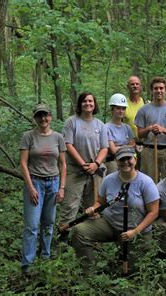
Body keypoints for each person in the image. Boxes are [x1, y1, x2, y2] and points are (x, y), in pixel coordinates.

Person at [71, 146, 160, 272]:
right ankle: (89, 272)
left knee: (134, 271)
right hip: (110, 223)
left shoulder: (146, 182)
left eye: (128, 158)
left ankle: (126, 256)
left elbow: (153, 212)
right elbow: (100, 202)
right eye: (121, 159)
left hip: (136, 229)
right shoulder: (109, 180)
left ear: (135, 159)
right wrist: (93, 209)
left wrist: (135, 232)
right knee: (79, 231)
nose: (125, 162)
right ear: (116, 161)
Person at [19, 103, 67, 274]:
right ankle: (28, 265)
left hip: (53, 183)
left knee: (48, 224)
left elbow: (62, 164)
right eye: (39, 116)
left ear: (50, 116)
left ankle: (45, 258)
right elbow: (23, 163)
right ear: (35, 118)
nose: (43, 119)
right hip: (35, 182)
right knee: (32, 225)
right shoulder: (28, 136)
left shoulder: (58, 138)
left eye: (45, 115)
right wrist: (31, 187)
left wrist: (61, 187)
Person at [59, 92, 109, 241]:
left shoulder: (100, 125)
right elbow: (68, 144)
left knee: (93, 208)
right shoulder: (71, 122)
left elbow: (104, 148)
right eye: (85, 101)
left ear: (95, 104)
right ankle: (64, 239)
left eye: (91, 101)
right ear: (80, 104)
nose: (88, 104)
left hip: (95, 172)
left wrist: (96, 164)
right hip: (75, 171)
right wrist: (83, 164)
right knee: (70, 206)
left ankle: (88, 239)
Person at [135, 76, 166, 181]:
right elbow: (140, 134)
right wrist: (149, 128)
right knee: (148, 181)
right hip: (149, 150)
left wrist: (163, 130)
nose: (159, 91)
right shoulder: (143, 110)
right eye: (156, 88)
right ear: (152, 90)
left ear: (165, 90)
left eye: (161, 88)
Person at [105, 93, 135, 174]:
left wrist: (118, 146)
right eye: (118, 108)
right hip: (113, 162)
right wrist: (127, 146)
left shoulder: (127, 127)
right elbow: (113, 150)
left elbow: (133, 145)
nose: (121, 111)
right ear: (112, 109)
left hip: (128, 160)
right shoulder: (106, 128)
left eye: (123, 108)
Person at [124, 75, 145, 141]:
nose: (135, 86)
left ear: (140, 87)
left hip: (146, 144)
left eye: (137, 84)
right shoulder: (123, 105)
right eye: (132, 84)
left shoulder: (147, 104)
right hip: (129, 144)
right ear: (128, 87)